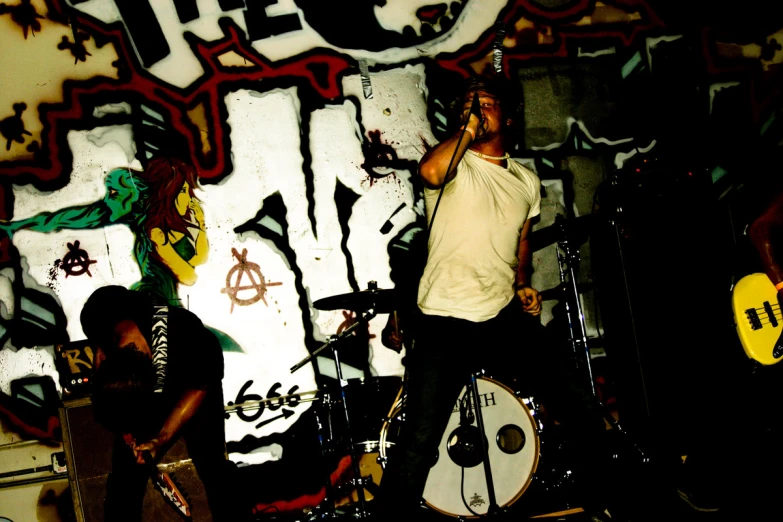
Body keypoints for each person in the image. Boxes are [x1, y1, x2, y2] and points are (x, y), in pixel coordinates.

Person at [372, 74, 615, 521]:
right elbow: (428, 172)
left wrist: (522, 282)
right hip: (443, 318)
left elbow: (520, 240)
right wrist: (466, 128)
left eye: (485, 103)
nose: (476, 109)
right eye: (468, 103)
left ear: (506, 116)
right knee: (419, 443)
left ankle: (606, 502)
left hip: (501, 316)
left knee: (579, 404)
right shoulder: (454, 165)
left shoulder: (525, 180)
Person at [80, 285, 249, 521]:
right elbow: (114, 401)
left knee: (212, 465)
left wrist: (160, 439)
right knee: (125, 478)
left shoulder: (187, 334)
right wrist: (128, 434)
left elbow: (200, 386)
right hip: (141, 391)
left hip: (192, 387)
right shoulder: (104, 332)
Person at [0, 157, 208, 307]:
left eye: (114, 193)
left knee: (162, 360)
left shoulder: (170, 223)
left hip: (159, 304)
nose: (108, 199)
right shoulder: (141, 214)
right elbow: (76, 217)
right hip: (155, 302)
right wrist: (20, 225)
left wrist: (195, 228)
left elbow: (191, 272)